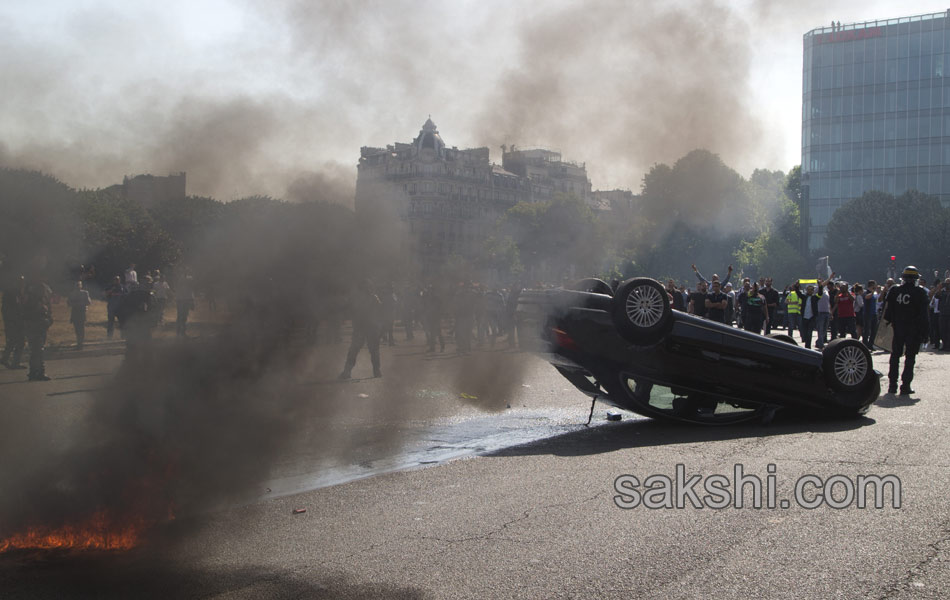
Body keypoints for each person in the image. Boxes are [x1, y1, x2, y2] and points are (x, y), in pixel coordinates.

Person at [882, 266, 930, 395]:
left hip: (898, 328)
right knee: (910, 357)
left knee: (895, 356)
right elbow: (924, 315)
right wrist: (925, 333)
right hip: (913, 330)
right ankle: (905, 385)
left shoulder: (894, 290)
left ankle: (892, 385)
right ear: (915, 279)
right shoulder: (920, 292)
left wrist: (891, 322)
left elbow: (887, 312)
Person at [339, 279, 382, 379]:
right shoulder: (374, 298)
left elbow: (350, 310)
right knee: (374, 350)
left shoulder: (357, 298)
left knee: (354, 350)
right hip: (371, 328)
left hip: (361, 327)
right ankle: (377, 371)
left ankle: (347, 372)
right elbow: (380, 311)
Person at [21, 274, 53, 381]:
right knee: (38, 349)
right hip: (36, 323)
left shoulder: (30, 291)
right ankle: (38, 372)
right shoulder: (33, 294)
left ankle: (34, 371)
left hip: (37, 323)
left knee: (36, 349)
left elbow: (48, 307)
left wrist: (48, 318)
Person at [1, 275, 26, 369]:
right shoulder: (13, 294)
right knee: (20, 341)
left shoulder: (14, 293)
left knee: (12, 341)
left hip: (13, 321)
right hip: (14, 322)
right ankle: (15, 362)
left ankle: (5, 358)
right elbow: (15, 309)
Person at [66, 280, 92, 350]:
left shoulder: (85, 293)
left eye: (79, 285)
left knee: (81, 328)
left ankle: (80, 343)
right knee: (77, 329)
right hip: (75, 312)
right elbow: (68, 303)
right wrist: (75, 304)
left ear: (81, 286)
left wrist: (82, 303)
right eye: (76, 285)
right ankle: (79, 342)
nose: (78, 286)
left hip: (81, 312)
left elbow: (89, 302)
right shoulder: (72, 294)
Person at [175, 272, 195, 338]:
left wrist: (192, 302)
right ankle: (180, 331)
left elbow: (190, 294)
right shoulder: (181, 283)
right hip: (181, 300)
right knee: (181, 316)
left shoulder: (188, 285)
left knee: (183, 316)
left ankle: (181, 331)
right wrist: (192, 302)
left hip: (184, 300)